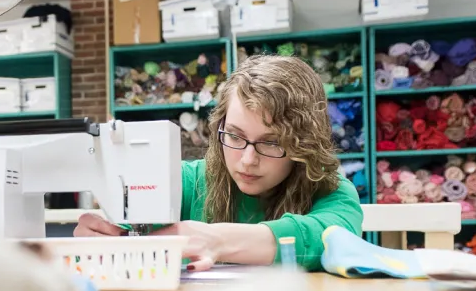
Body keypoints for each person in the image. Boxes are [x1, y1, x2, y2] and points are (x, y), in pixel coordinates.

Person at [74, 54, 364, 271]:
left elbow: (329, 238)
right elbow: (123, 233)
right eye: (235, 136)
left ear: (304, 143)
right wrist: (103, 238)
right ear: (219, 126)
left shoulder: (331, 193)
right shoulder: (185, 182)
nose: (248, 160)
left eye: (271, 142)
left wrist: (216, 240)